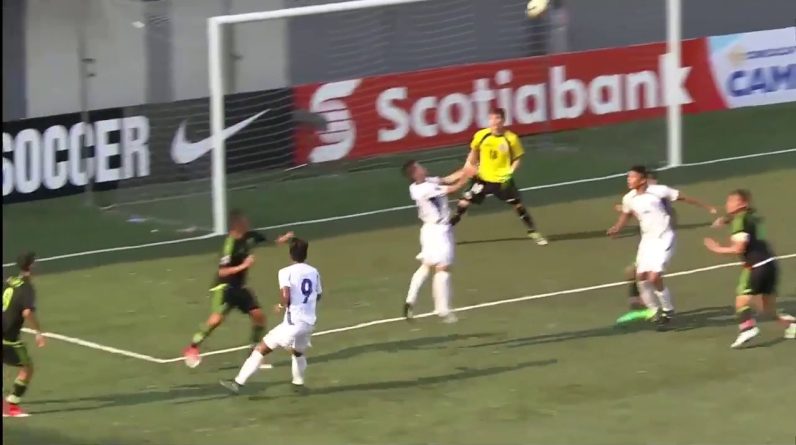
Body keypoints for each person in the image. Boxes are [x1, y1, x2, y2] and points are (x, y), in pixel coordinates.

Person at [608, 166, 716, 328]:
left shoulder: (659, 191)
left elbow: (683, 197)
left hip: (664, 238)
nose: (628, 180)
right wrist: (617, 228)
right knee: (641, 276)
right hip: (647, 241)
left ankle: (668, 309)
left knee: (654, 277)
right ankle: (654, 310)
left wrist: (707, 207)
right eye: (628, 177)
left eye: (632, 177)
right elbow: (626, 214)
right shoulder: (629, 198)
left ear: (642, 179)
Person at [183, 210, 293, 368]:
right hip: (224, 287)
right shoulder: (229, 245)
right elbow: (222, 272)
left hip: (240, 287)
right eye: (243, 221)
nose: (247, 223)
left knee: (259, 317)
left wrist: (283, 239)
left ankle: (253, 354)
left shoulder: (251, 236)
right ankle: (192, 347)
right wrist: (244, 265)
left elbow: (271, 242)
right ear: (236, 225)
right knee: (216, 319)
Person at [220, 238, 320, 393]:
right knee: (298, 352)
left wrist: (280, 305)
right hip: (308, 322)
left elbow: (286, 295)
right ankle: (298, 383)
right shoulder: (314, 272)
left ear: (291, 254)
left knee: (261, 349)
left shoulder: (285, 272)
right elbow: (318, 295)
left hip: (292, 323)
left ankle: (238, 382)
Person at [703, 189, 796, 348]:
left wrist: (717, 249)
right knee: (767, 308)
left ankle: (747, 328)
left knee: (741, 300)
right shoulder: (752, 217)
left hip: (756, 267)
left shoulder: (739, 221)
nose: (728, 204)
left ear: (743, 203)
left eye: (732, 201)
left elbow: (739, 248)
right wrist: (725, 219)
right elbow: (745, 221)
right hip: (770, 265)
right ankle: (792, 325)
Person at [448, 108, 548, 246]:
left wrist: (510, 172)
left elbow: (517, 158)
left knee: (518, 206)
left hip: (502, 181)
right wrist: (471, 165)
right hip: (482, 179)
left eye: (497, 118)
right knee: (463, 204)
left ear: (503, 120)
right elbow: (474, 152)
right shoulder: (481, 135)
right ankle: (445, 232)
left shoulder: (511, 138)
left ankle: (533, 232)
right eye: (491, 119)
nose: (494, 122)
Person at [402, 160, 475, 323]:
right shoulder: (426, 189)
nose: (423, 167)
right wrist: (469, 177)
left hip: (428, 230)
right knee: (442, 268)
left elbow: (448, 179)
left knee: (426, 265)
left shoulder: (419, 185)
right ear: (415, 173)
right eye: (419, 167)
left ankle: (410, 300)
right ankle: (442, 310)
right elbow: (454, 188)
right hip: (439, 231)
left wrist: (467, 169)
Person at [2, 252, 45, 418]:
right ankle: (12, 405)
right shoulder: (27, 288)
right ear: (31, 266)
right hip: (8, 336)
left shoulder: (9, 281)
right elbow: (27, 313)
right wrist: (38, 332)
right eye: (35, 262)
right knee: (27, 368)